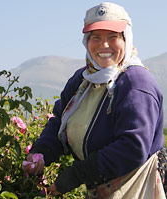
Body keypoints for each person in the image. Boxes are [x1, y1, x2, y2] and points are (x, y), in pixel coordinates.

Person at [22, 2, 166, 198]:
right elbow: (58, 121)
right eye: (95, 37)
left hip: (138, 186)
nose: (103, 45)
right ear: (86, 41)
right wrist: (40, 154)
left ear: (126, 39)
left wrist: (75, 175)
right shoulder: (83, 80)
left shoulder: (136, 82)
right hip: (102, 187)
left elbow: (132, 147)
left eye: (113, 36)